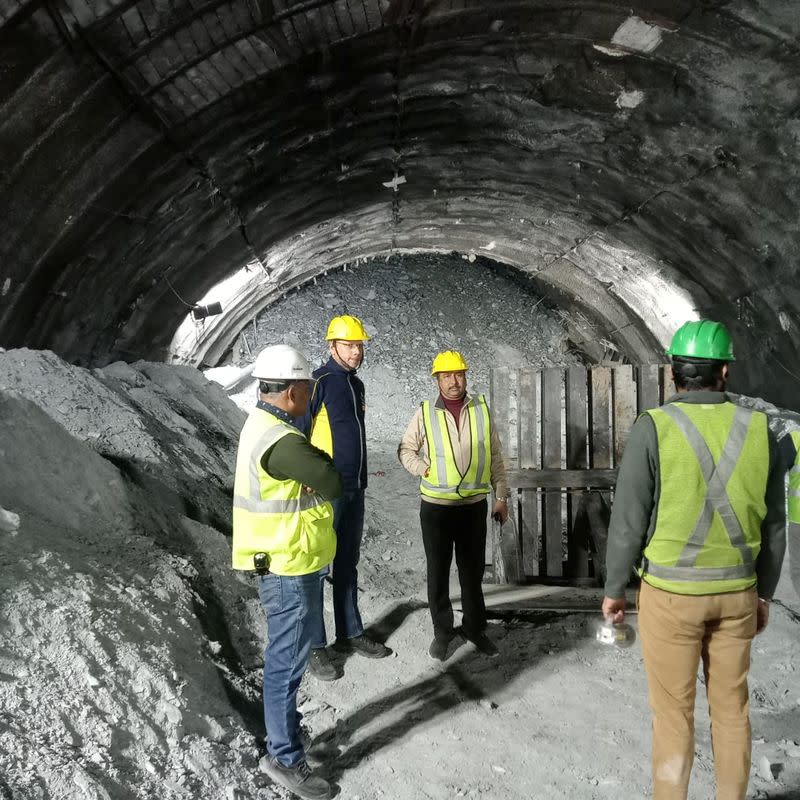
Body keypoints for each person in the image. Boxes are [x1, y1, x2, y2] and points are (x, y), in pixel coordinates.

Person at [601, 320, 786, 800]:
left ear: (674, 373)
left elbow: (628, 520)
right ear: (724, 371)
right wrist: (764, 592)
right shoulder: (759, 429)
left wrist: (615, 590)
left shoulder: (654, 427)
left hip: (671, 596)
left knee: (673, 714)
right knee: (731, 712)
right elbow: (774, 525)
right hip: (737, 594)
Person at [232, 344, 342, 800]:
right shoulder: (281, 440)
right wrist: (320, 468)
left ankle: (289, 739)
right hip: (286, 565)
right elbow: (333, 478)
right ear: (295, 390)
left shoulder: (262, 426)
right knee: (286, 664)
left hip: (287, 558)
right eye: (307, 388)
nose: (309, 396)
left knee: (289, 661)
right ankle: (283, 757)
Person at [398, 350, 510, 661]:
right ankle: (442, 632)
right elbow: (406, 448)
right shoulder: (425, 412)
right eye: (446, 375)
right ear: (436, 379)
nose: (453, 381)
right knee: (438, 572)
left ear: (466, 376)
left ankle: (475, 628)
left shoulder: (482, 411)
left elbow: (497, 458)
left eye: (458, 374)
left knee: (471, 573)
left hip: (473, 506)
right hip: (436, 508)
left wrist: (501, 497)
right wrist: (422, 468)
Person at [299, 314, 391, 682]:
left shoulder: (359, 386)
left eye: (360, 345)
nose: (357, 352)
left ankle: (349, 633)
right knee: (316, 568)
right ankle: (314, 647)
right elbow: (299, 432)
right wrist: (308, 476)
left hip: (355, 488)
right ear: (331, 346)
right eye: (350, 345)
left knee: (347, 563)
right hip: (325, 490)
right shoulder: (318, 382)